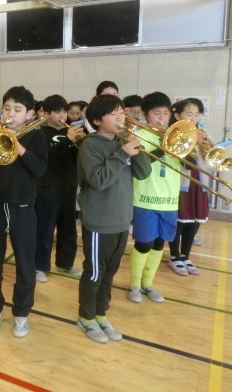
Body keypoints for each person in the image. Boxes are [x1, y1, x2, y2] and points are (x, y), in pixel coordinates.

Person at [76, 94, 151, 344]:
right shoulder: (90, 145)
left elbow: (144, 173)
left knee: (109, 273)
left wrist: (136, 148)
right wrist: (122, 154)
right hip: (99, 222)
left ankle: (100, 313)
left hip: (121, 220)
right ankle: (86, 317)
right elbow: (98, 180)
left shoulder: (122, 142)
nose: (121, 118)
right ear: (97, 120)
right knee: (95, 273)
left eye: (122, 112)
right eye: (114, 114)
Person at [0, 86, 48, 338]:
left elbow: (40, 170)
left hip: (23, 208)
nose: (10, 113)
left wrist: (18, 147)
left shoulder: (37, 136)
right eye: (7, 108)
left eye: (17, 109)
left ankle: (21, 313)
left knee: (26, 264)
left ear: (29, 114)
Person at [128, 92, 180, 304]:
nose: (162, 118)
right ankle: (135, 284)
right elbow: (141, 164)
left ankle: (148, 283)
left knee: (159, 244)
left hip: (170, 200)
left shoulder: (176, 136)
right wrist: (163, 148)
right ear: (146, 114)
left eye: (165, 113)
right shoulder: (139, 135)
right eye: (157, 113)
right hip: (145, 198)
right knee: (144, 243)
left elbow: (190, 163)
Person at [35, 95, 84, 283]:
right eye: (57, 112)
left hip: (70, 185)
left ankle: (65, 263)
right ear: (47, 114)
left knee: (68, 228)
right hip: (48, 186)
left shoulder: (71, 131)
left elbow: (77, 159)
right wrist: (66, 140)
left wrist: (80, 144)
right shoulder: (40, 134)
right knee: (45, 229)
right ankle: (39, 266)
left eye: (64, 111)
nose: (62, 115)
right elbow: (45, 158)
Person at [168, 98, 208, 276]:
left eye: (197, 114)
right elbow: (181, 160)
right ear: (177, 116)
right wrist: (193, 142)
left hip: (200, 183)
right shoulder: (174, 133)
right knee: (179, 221)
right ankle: (174, 255)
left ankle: (186, 255)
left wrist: (207, 147)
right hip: (181, 182)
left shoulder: (203, 133)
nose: (193, 118)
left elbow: (210, 160)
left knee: (194, 221)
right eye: (189, 114)